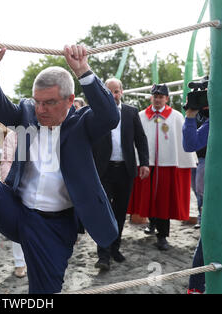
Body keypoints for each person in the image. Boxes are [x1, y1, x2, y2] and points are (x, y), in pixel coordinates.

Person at [0, 37, 120, 294]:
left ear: (69, 99)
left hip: (55, 227)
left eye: (49, 102)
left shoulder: (84, 123)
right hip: (17, 211)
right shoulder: (27, 112)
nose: (40, 109)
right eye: (36, 100)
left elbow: (109, 116)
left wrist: (83, 70)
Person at [127, 84, 197, 251]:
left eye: (161, 96)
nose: (158, 99)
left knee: (164, 200)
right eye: (155, 96)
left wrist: (185, 160)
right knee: (148, 197)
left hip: (168, 165)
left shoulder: (176, 117)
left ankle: (162, 235)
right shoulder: (141, 116)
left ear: (167, 98)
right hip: (146, 164)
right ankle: (152, 223)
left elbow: (183, 140)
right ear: (151, 97)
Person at [91, 78, 150, 271]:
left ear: (122, 92)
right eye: (110, 92)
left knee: (120, 212)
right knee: (103, 212)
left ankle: (115, 248)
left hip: (126, 170)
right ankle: (104, 255)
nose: (114, 95)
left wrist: (145, 163)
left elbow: (141, 139)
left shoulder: (131, 112)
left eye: (116, 91)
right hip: (104, 170)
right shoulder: (96, 113)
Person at [183, 106, 209, 294]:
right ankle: (196, 288)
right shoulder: (215, 121)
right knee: (208, 236)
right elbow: (190, 144)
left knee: (208, 237)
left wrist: (191, 117)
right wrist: (191, 117)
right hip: (214, 186)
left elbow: (190, 143)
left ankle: (196, 287)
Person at [0, 129, 27, 278]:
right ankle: (19, 263)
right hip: (18, 186)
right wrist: (10, 184)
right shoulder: (12, 135)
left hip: (42, 190)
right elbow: (6, 161)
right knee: (18, 225)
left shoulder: (48, 130)